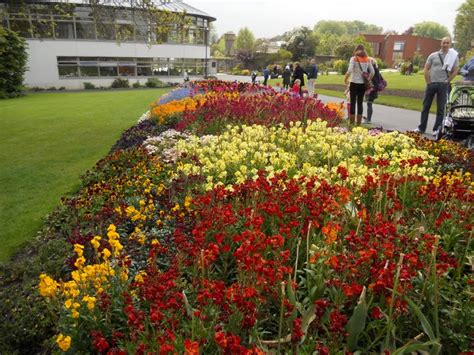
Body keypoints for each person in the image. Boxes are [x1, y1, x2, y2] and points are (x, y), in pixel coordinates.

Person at [414, 37, 459, 135]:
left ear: (450, 44)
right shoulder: (433, 55)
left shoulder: (453, 57)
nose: (445, 44)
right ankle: (421, 128)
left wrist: (448, 80)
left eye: (447, 43)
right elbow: (426, 68)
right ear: (441, 43)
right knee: (426, 107)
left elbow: (456, 70)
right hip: (432, 84)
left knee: (441, 109)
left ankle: (437, 129)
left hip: (443, 85)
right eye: (444, 43)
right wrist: (428, 81)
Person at [344, 44, 374, 125]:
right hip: (362, 84)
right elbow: (372, 72)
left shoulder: (353, 59)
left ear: (356, 50)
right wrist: (368, 79)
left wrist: (345, 79)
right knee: (360, 103)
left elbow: (349, 70)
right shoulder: (368, 59)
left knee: (352, 102)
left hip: (353, 83)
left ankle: (352, 122)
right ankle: (358, 123)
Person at [364, 57, 382, 123]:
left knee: (369, 103)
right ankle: (368, 118)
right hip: (374, 89)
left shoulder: (372, 70)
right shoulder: (376, 69)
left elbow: (371, 79)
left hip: (372, 89)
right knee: (369, 103)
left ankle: (368, 119)